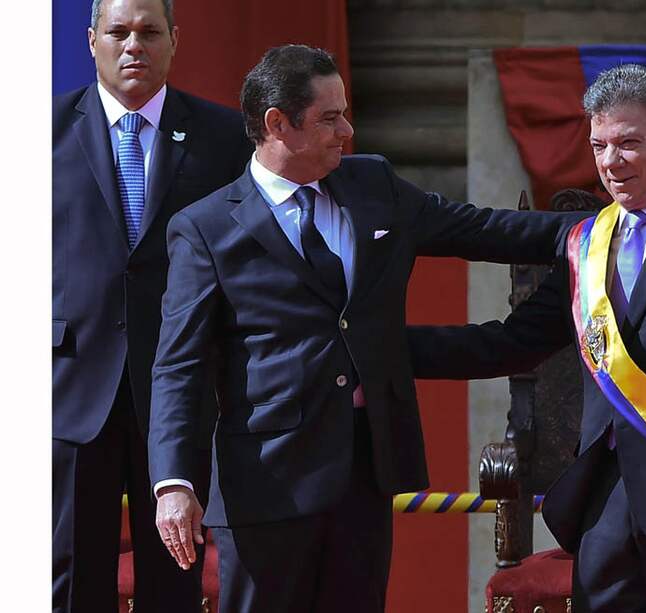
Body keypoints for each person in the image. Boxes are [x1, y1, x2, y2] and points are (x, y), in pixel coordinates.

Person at [148, 44, 583, 613]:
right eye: (329, 118)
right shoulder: (204, 229)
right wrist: (174, 481)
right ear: (277, 124)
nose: (346, 131)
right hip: (266, 485)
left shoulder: (372, 186)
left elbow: (487, 230)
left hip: (363, 472)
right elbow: (178, 365)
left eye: (345, 113)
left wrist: (605, 228)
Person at [408, 64, 646, 612]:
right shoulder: (587, 244)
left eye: (628, 144)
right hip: (606, 500)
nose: (611, 163)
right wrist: (389, 351)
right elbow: (510, 343)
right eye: (599, 146)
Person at [52, 0, 252, 610]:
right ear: (91, 41)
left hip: (179, 389)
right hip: (68, 387)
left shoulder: (224, 137)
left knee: (174, 577)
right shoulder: (39, 132)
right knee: (66, 580)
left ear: (174, 41)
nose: (133, 44)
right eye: (118, 32)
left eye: (148, 31)